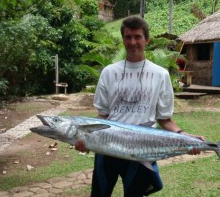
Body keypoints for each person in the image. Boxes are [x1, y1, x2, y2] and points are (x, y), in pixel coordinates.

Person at [76, 16, 204, 197]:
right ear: (123, 40)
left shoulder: (160, 75)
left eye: (137, 37)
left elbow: (165, 119)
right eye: (128, 37)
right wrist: (87, 139)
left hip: (142, 150)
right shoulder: (109, 72)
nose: (132, 42)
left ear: (147, 40)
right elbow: (102, 117)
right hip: (107, 148)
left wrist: (184, 136)